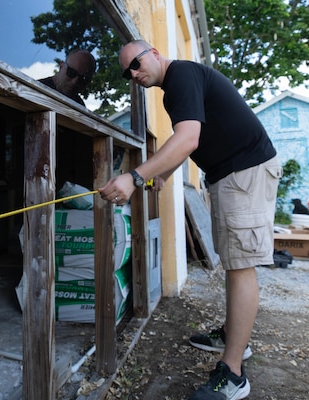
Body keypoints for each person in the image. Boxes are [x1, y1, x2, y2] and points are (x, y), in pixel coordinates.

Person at [98, 40, 281, 400]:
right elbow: (190, 139)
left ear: (152, 51)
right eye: (127, 73)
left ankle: (233, 373)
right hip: (232, 173)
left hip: (245, 171)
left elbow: (188, 137)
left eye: (135, 63)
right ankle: (231, 336)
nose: (133, 74)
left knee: (241, 265)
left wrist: (134, 178)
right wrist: (164, 174)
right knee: (234, 262)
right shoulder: (176, 87)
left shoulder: (181, 74)